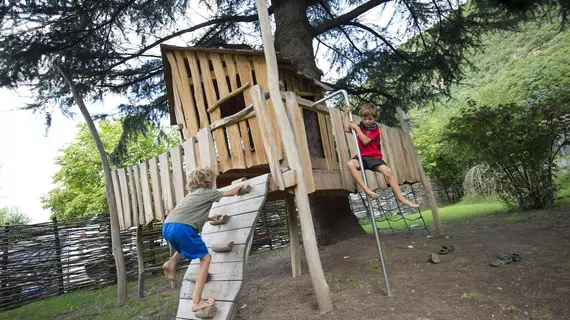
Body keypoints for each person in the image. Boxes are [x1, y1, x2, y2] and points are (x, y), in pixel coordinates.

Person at [161, 167, 245, 312]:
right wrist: (238, 188)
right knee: (205, 258)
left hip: (167, 226)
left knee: (184, 245)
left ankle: (171, 262)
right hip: (183, 228)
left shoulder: (190, 196)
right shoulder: (207, 192)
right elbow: (230, 193)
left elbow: (188, 215)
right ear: (208, 181)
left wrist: (209, 217)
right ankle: (197, 302)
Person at [344, 103, 419, 208]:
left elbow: (365, 141)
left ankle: (401, 199)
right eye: (364, 119)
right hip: (362, 157)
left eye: (370, 119)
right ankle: (367, 190)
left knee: (388, 172)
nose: (367, 121)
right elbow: (347, 129)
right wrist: (346, 113)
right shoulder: (360, 125)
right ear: (362, 118)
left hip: (374, 158)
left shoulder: (375, 128)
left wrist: (357, 129)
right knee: (350, 164)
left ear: (374, 118)